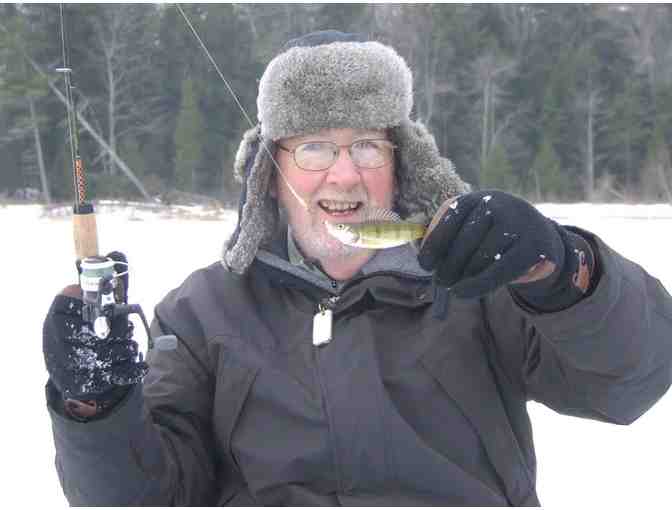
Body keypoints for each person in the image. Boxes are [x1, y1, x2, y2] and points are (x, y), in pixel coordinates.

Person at [43, 31, 672, 506]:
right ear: (271, 168)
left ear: (403, 161)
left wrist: (566, 271)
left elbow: (630, 381)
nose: (343, 175)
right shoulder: (199, 313)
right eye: (314, 146)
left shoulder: (478, 284)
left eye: (367, 145)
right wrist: (97, 410)